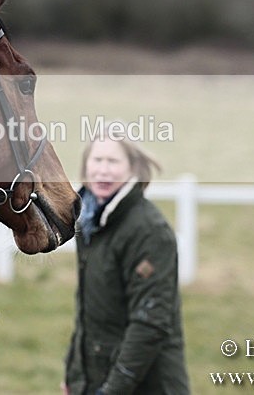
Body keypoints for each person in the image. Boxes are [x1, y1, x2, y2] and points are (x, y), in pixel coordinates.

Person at [64, 124, 190, 395]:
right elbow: (88, 312)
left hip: (149, 385)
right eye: (96, 160)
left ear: (133, 168)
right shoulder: (88, 222)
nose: (103, 170)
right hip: (96, 379)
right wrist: (73, 377)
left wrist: (113, 389)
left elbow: (150, 323)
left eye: (113, 161)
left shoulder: (150, 231)